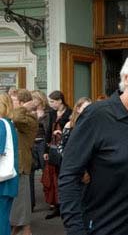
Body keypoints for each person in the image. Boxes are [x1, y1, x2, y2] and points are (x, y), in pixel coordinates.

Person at [59, 45, 128, 235]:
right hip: (102, 228)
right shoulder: (96, 116)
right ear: (126, 77)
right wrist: (75, 230)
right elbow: (69, 177)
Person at [9, 89, 38, 235]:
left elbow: (17, 118)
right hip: (12, 166)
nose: (10, 104)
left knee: (23, 218)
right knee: (15, 215)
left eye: (13, 101)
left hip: (20, 167)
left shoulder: (30, 119)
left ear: (21, 103)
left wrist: (25, 108)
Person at [42, 90, 72, 219]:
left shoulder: (70, 113)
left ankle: (66, 206)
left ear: (60, 100)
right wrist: (45, 151)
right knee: (53, 177)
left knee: (64, 176)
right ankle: (57, 206)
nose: (51, 104)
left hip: (65, 149)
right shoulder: (52, 113)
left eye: (53, 101)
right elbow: (48, 131)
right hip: (53, 148)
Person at [0, 93, 19, 235]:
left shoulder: (1, 123)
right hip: (8, 179)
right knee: (3, 218)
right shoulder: (8, 123)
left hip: (2, 182)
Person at [29, 90, 51, 211]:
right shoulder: (29, 112)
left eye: (34, 99)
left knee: (46, 171)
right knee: (30, 173)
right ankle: (30, 203)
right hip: (32, 143)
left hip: (43, 142)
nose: (33, 102)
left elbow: (49, 130)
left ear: (40, 99)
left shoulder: (48, 112)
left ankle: (51, 200)